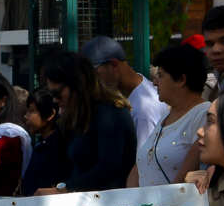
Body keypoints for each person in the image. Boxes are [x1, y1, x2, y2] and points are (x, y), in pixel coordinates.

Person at [38, 51, 137, 192]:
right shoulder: (79, 117)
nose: (55, 100)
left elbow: (109, 168)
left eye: (57, 93)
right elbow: (62, 164)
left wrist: (63, 190)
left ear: (78, 85)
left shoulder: (110, 114)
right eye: (52, 94)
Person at [131, 44, 209, 189]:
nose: (154, 83)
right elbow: (139, 167)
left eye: (160, 76)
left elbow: (182, 185)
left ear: (181, 80)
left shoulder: (204, 114)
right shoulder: (167, 116)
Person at [81, 36, 164, 148]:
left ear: (114, 65)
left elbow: (142, 161)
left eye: (95, 74)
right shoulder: (135, 90)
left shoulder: (143, 108)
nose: (93, 81)